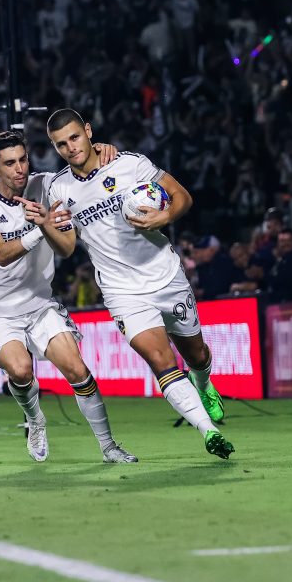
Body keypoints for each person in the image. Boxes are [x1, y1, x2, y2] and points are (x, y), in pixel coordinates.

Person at [37, 109, 234, 460]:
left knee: (197, 354)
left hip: (165, 274)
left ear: (88, 131)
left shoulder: (129, 163)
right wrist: (47, 226)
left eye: (74, 138)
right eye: (60, 144)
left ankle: (204, 385)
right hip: (122, 291)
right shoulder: (58, 187)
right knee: (161, 361)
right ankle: (210, 432)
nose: (69, 148)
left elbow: (182, 196)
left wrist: (166, 215)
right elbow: (66, 248)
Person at [0, 130, 136, 464]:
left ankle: (109, 446)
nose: (19, 169)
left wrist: (99, 150)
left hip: (40, 304)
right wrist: (41, 227)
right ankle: (35, 420)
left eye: (23, 159)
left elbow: (80, 172)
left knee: (79, 371)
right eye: (9, 163)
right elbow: (0, 252)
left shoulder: (47, 186)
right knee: (21, 370)